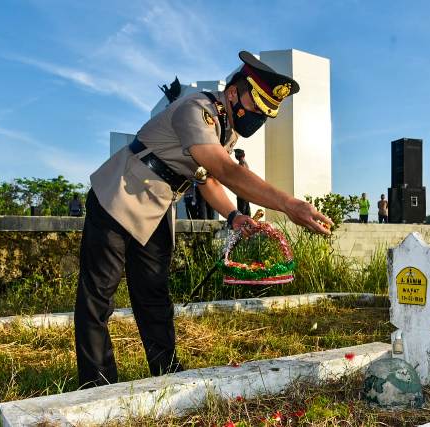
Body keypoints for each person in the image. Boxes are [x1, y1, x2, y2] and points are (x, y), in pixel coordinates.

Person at [75, 51, 333, 388]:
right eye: (256, 106)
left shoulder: (227, 131)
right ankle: (96, 384)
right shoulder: (196, 109)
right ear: (233, 92)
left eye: (265, 113)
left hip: (157, 203)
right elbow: (223, 170)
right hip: (119, 194)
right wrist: (289, 204)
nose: (257, 116)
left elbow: (205, 179)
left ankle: (166, 373)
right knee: (99, 296)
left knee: (153, 293)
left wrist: (234, 214)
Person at [234, 149, 251, 216]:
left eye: (236, 154)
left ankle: (244, 224)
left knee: (242, 209)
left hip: (242, 190)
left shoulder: (242, 163)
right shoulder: (244, 162)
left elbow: (242, 176)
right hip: (245, 189)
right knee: (246, 208)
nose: (235, 156)